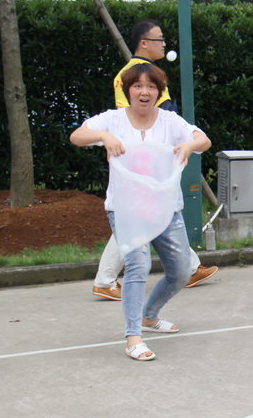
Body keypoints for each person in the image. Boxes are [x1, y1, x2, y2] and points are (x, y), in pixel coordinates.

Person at [71, 62, 212, 360]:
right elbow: (77, 136)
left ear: (159, 92)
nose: (144, 92)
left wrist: (189, 146)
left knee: (181, 271)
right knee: (137, 265)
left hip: (165, 208)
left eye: (151, 87)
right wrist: (104, 137)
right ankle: (133, 337)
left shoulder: (170, 121)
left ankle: (149, 316)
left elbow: (204, 140)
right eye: (138, 86)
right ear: (128, 90)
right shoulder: (112, 120)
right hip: (126, 209)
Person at [92, 18, 218, 301]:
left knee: (145, 215)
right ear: (144, 42)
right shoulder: (141, 76)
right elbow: (147, 118)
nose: (163, 44)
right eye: (159, 39)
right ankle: (107, 280)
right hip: (144, 160)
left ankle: (189, 267)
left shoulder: (136, 73)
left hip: (146, 158)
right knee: (138, 216)